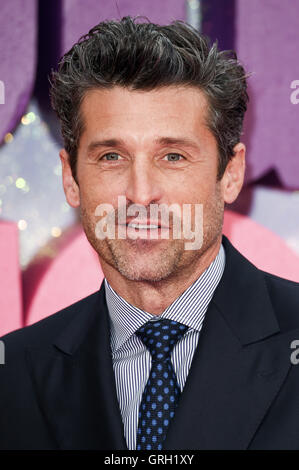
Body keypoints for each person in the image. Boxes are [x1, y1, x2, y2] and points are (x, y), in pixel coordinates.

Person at [1, 15, 299, 451]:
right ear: (71, 178)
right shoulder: (14, 374)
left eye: (173, 156)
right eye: (111, 157)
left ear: (230, 175)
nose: (141, 194)